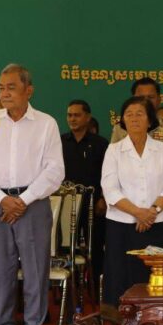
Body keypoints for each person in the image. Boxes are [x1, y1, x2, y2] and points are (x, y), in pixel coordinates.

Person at [0, 64, 64, 325]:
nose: (4, 93)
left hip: (33, 204)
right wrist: (2, 199)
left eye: (11, 87)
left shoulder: (46, 124)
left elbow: (55, 170)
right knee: (0, 272)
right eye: (1, 87)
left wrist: (24, 200)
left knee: (35, 270)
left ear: (29, 90)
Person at [101, 96, 163, 325]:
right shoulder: (114, 150)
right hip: (123, 225)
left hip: (160, 224)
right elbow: (110, 189)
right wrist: (138, 213)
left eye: (139, 114)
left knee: (157, 280)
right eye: (129, 114)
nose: (134, 118)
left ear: (150, 120)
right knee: (120, 277)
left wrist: (152, 212)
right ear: (122, 121)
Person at [111, 78, 163, 225]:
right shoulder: (120, 127)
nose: (146, 101)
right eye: (141, 97)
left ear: (159, 99)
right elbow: (112, 168)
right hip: (128, 204)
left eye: (151, 97)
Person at [61, 99, 109, 292]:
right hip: (66, 206)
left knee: (95, 248)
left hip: (94, 205)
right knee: (65, 248)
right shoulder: (60, 142)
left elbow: (108, 174)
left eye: (77, 115)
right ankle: (68, 290)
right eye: (69, 115)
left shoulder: (100, 144)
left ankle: (97, 292)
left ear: (87, 118)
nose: (72, 119)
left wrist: (103, 198)